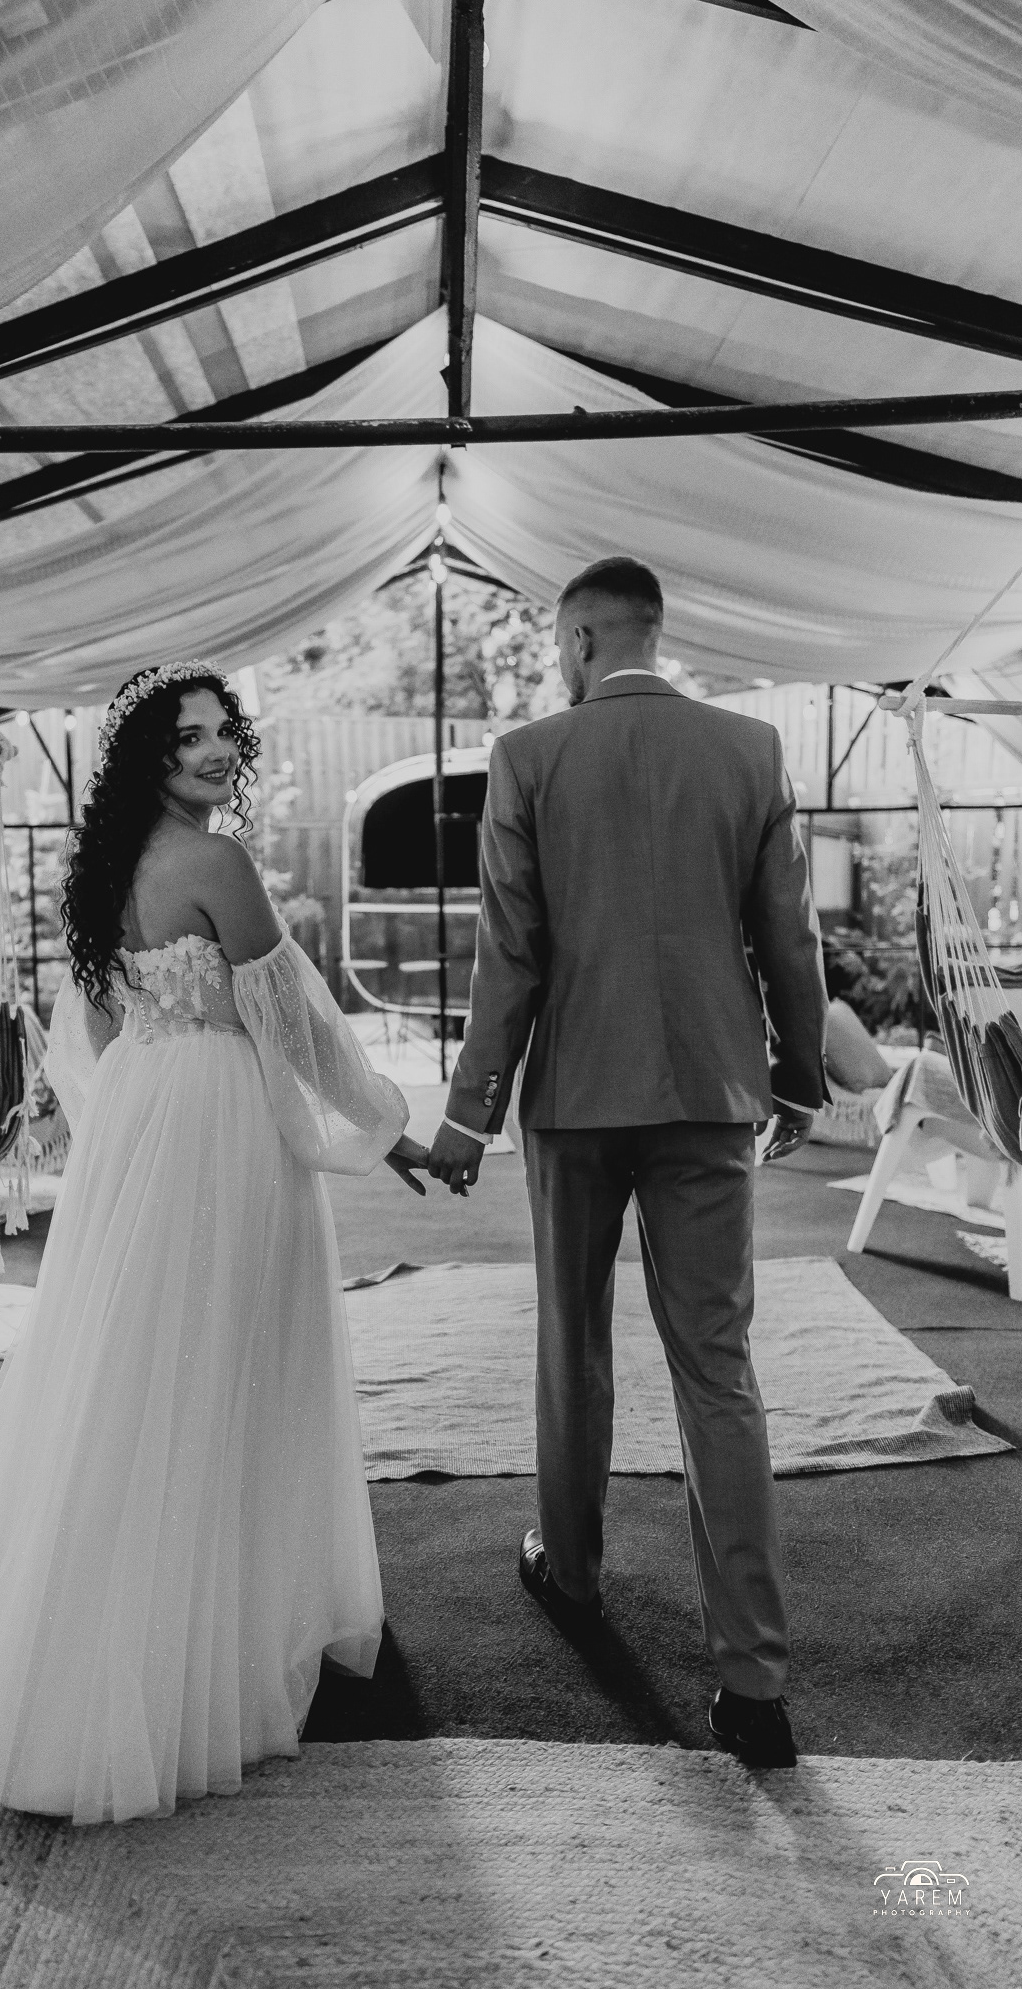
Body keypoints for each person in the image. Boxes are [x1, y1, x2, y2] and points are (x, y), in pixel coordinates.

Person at [0, 662, 429, 1823]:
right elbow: (298, 1028)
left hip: (143, 1115)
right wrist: (395, 1128)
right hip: (220, 1124)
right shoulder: (216, 862)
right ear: (150, 754)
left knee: (134, 1366)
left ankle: (94, 1624)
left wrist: (117, 1127)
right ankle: (213, 1633)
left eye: (224, 730)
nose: (217, 749)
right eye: (191, 736)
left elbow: (101, 1028)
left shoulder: (109, 870)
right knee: (236, 1360)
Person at [427, 557, 827, 1769]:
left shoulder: (528, 756)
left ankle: (573, 1569)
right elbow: (789, 934)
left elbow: (509, 953)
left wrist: (467, 1113)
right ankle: (754, 1684)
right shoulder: (751, 748)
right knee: (719, 1365)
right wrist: (799, 1074)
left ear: (582, 638)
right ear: (656, 629)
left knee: (574, 1338)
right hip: (708, 1093)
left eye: (561, 643)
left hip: (575, 1095)